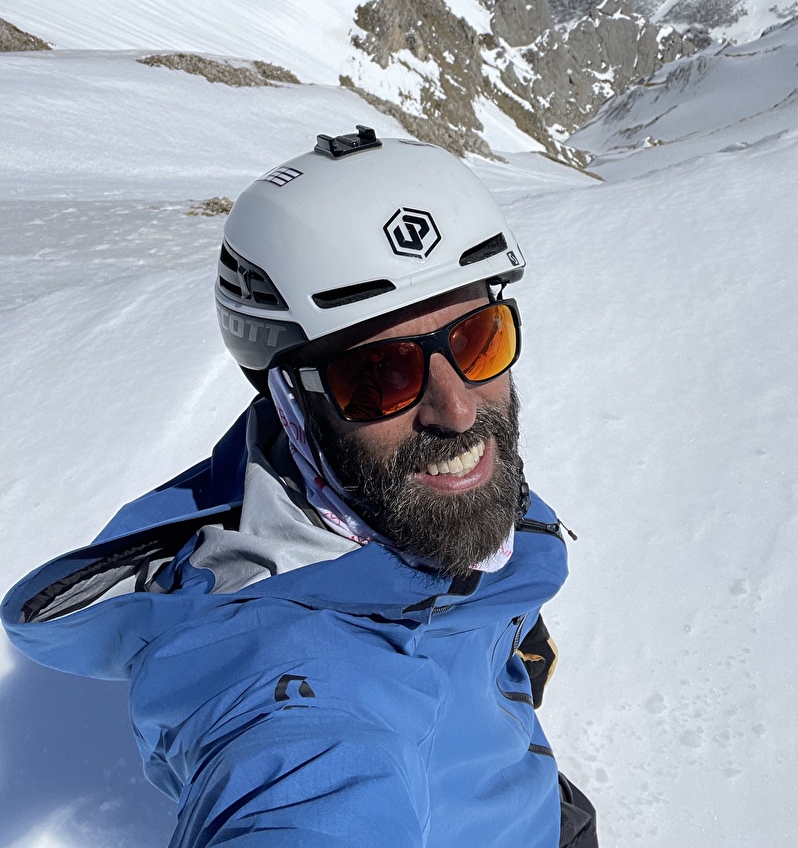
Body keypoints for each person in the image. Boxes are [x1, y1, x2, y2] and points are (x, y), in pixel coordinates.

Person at [3, 127, 598, 847]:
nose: (458, 409)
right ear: (293, 402)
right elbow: (299, 776)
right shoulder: (286, 674)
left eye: (479, 341)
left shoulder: (410, 501)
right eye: (380, 376)